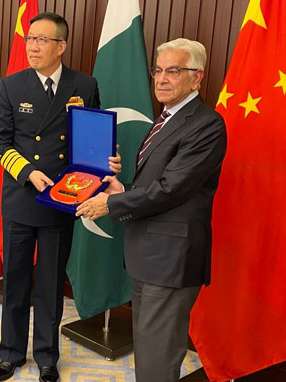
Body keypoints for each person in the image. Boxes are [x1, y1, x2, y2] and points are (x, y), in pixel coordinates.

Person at [76, 38, 227, 382]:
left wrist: (110, 202)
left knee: (159, 355)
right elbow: (158, 185)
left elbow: (172, 188)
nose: (161, 79)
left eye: (173, 71)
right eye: (157, 70)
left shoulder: (206, 124)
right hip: (148, 254)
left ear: (197, 77)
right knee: (148, 347)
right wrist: (122, 189)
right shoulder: (165, 119)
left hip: (171, 258)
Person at [0, 12, 120, 382]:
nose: (33, 46)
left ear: (61, 46)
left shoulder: (84, 83)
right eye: (30, 39)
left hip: (62, 199)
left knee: (49, 283)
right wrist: (28, 171)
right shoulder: (11, 86)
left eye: (43, 40)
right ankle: (10, 353)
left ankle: (47, 357)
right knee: (15, 281)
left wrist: (107, 159)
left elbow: (91, 139)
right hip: (20, 197)